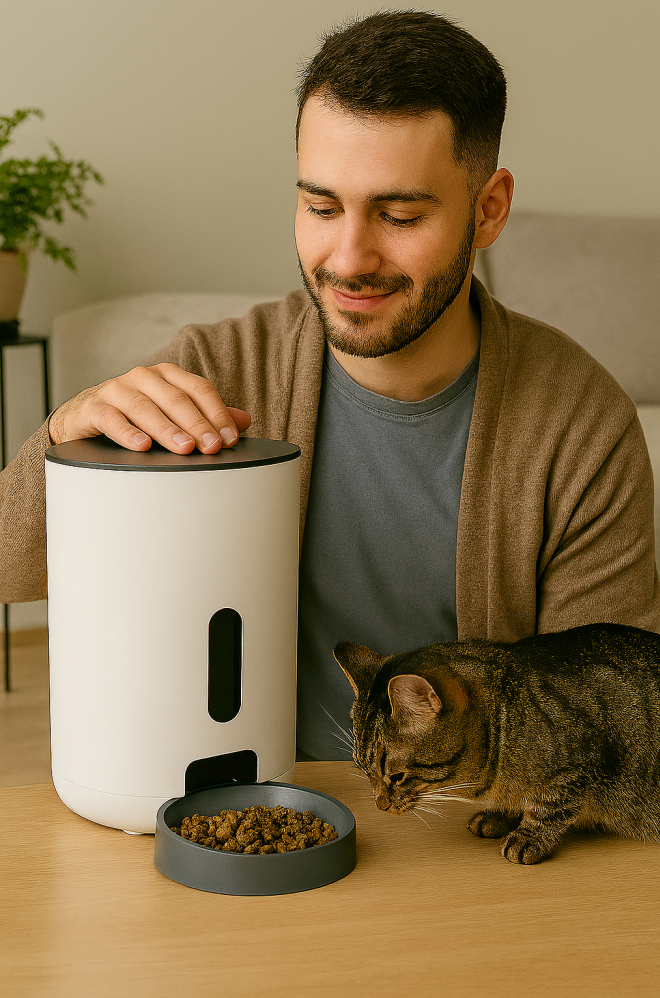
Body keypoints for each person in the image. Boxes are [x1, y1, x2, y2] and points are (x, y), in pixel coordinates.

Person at [1, 12, 657, 760]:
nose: (348, 258)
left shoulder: (581, 426)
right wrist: (62, 443)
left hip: (468, 820)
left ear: (488, 210)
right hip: (239, 806)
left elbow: (612, 726)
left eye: (398, 215)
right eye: (321, 207)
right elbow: (9, 571)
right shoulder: (216, 370)